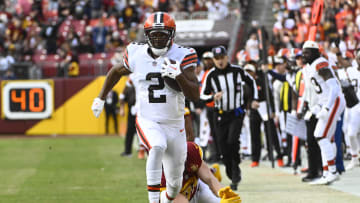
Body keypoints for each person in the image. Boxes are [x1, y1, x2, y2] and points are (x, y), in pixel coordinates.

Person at [91, 12, 200, 203]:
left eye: (162, 34)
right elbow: (116, 72)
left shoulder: (184, 54)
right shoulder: (136, 52)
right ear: (147, 35)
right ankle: (153, 201)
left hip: (175, 124)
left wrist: (179, 76)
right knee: (156, 146)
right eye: (154, 34)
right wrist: (100, 98)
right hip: (148, 118)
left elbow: (195, 95)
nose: (158, 39)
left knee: (174, 186)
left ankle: (166, 199)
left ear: (171, 35)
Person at [200, 46, 259, 190]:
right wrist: (213, 97)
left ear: (227, 57)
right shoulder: (211, 75)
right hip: (220, 114)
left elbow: (251, 81)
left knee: (232, 140)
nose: (220, 61)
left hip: (236, 113)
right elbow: (202, 95)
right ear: (214, 60)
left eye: (222, 58)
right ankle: (231, 168)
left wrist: (254, 99)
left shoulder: (237, 71)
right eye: (217, 59)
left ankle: (235, 168)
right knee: (222, 148)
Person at [301, 41, 345, 185]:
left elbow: (333, 87)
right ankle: (327, 172)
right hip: (327, 102)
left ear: (315, 53)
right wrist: (317, 107)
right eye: (303, 52)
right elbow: (321, 91)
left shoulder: (320, 63)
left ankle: (332, 172)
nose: (304, 55)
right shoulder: (310, 67)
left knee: (319, 135)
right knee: (326, 138)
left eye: (307, 52)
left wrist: (326, 107)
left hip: (334, 101)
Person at [160, 142, 241, 203]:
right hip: (176, 196)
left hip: (197, 188)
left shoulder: (190, 150)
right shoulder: (161, 176)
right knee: (165, 196)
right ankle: (213, 171)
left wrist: (222, 193)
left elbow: (209, 179)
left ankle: (212, 171)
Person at [119, 75, 137, 157]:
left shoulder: (141, 86)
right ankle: (127, 151)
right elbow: (122, 98)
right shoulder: (128, 88)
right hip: (131, 111)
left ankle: (144, 151)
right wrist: (122, 109)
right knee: (130, 131)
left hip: (142, 111)